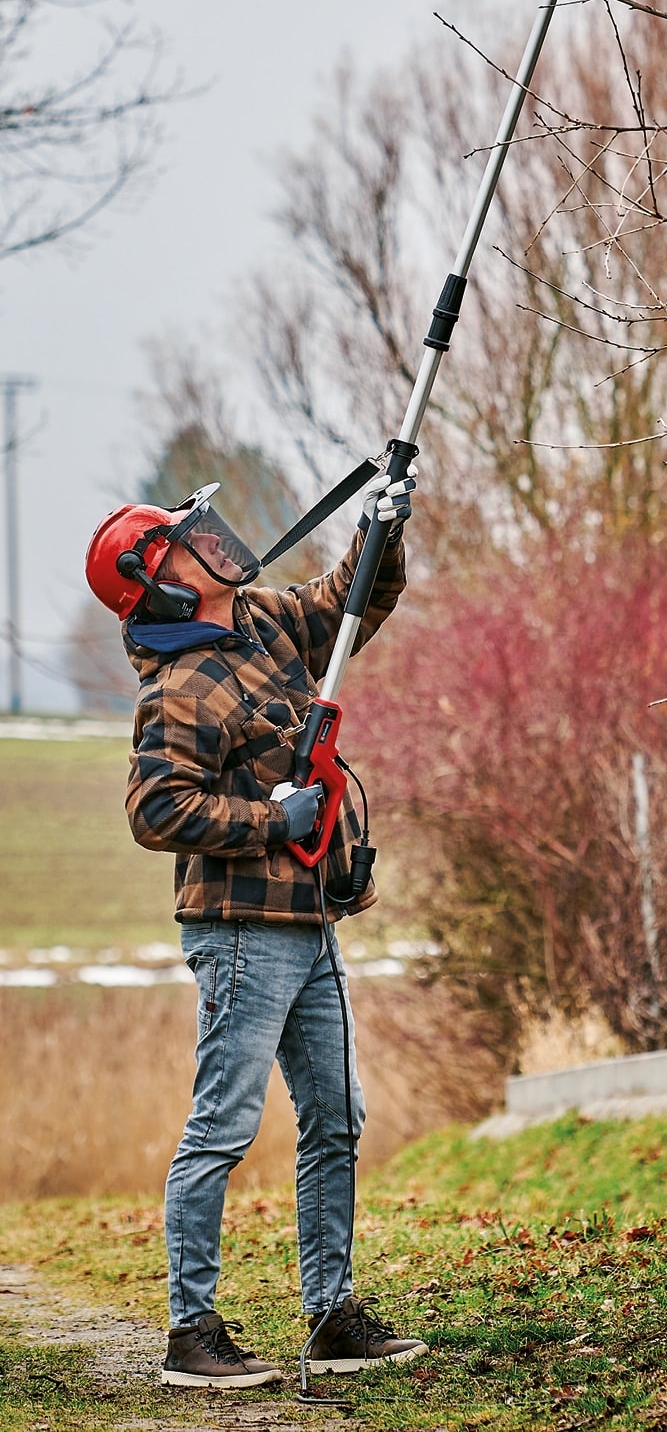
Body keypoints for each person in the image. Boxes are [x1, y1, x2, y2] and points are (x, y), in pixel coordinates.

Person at [84, 474, 428, 1389]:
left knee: (337, 1119)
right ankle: (190, 1335)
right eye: (189, 544)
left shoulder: (265, 624)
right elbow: (156, 810)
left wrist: (381, 529)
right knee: (223, 1127)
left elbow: (352, 603)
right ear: (161, 582)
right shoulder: (180, 687)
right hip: (241, 930)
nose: (217, 544)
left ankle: (332, 1317)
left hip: (308, 922)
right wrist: (271, 820)